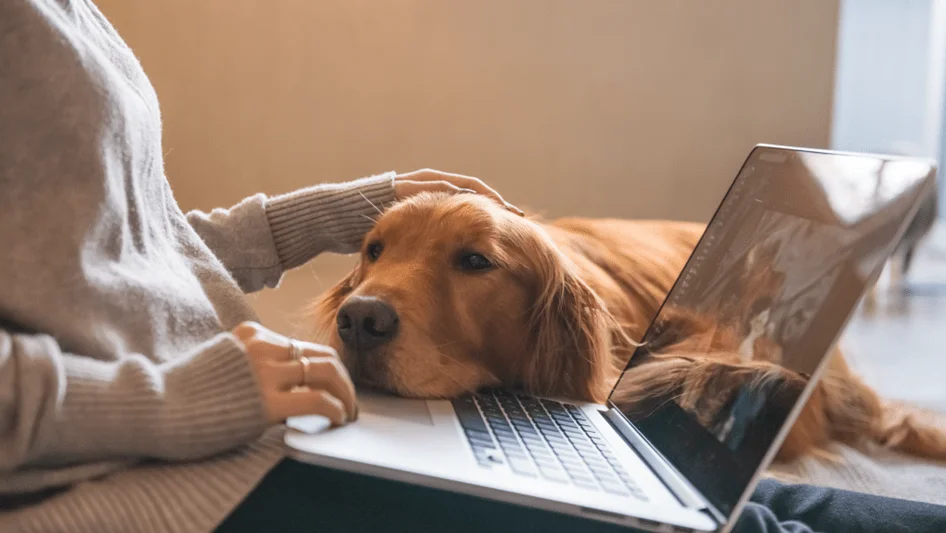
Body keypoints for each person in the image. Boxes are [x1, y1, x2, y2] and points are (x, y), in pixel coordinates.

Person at [3, 2, 946, 533]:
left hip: (217, 417)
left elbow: (112, 246)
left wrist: (338, 214)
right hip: (122, 474)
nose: (369, 300)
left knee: (706, 489)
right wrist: (182, 400)